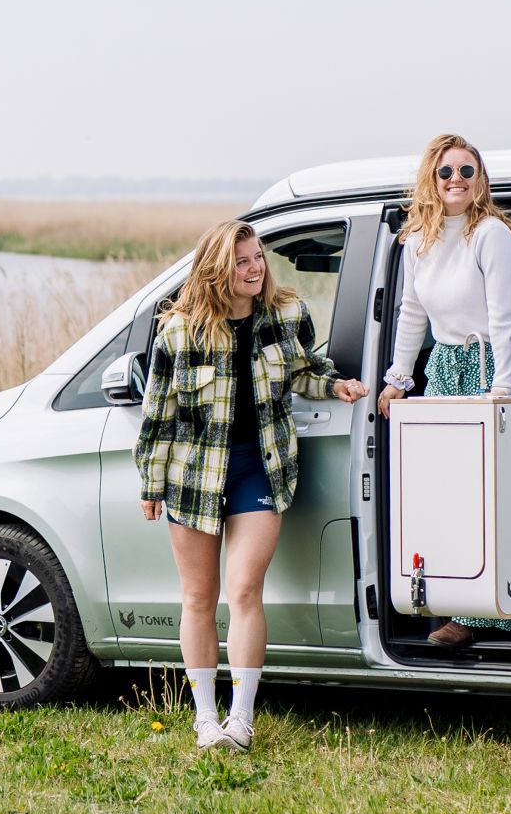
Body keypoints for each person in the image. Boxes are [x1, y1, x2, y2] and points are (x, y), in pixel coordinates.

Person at [136, 221, 368, 752]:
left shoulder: (287, 314)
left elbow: (303, 372)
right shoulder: (179, 333)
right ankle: (204, 719)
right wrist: (151, 483)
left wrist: (335, 385)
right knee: (199, 597)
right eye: (241, 261)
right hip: (194, 477)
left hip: (260, 468)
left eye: (258, 257)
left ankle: (240, 720)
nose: (255, 268)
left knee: (244, 590)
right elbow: (158, 415)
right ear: (217, 269)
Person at [377, 133, 511, 649]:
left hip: (497, 361)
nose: (456, 180)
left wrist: (502, 390)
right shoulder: (416, 242)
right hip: (447, 363)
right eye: (446, 171)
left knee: (493, 492)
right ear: (432, 177)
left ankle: (489, 614)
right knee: (448, 490)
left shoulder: (491, 235)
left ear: (480, 179)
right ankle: (453, 600)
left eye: (467, 171)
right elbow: (411, 313)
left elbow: (503, 318)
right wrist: (398, 379)